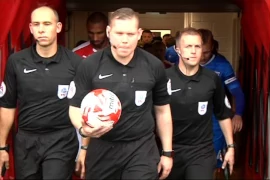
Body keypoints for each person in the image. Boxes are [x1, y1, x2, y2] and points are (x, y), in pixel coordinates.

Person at [68, 7, 173, 180]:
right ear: (109, 32)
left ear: (139, 34)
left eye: (130, 34)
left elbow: (162, 111)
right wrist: (83, 129)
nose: (125, 40)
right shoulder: (90, 65)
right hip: (102, 147)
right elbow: (75, 107)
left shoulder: (154, 66)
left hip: (142, 149)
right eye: (119, 33)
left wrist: (167, 152)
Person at [0, 6, 82, 179]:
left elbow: (84, 105)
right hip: (26, 141)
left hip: (61, 140)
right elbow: (7, 105)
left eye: (47, 23)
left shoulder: (75, 63)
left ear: (58, 27)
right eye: (36, 24)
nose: (41, 29)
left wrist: (85, 147)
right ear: (31, 28)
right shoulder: (16, 61)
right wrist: (1, 147)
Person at [165, 27, 235, 180]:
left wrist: (230, 147)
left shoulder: (212, 79)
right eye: (188, 46)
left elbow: (223, 114)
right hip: (170, 150)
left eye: (197, 46)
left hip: (201, 152)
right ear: (178, 50)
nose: (194, 51)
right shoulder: (163, 79)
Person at [198, 28, 245, 171]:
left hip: (215, 116)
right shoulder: (183, 62)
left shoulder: (222, 65)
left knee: (213, 160)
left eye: (206, 52)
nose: (203, 56)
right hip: (191, 117)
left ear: (212, 47)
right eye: (200, 51)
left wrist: (238, 114)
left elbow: (237, 91)